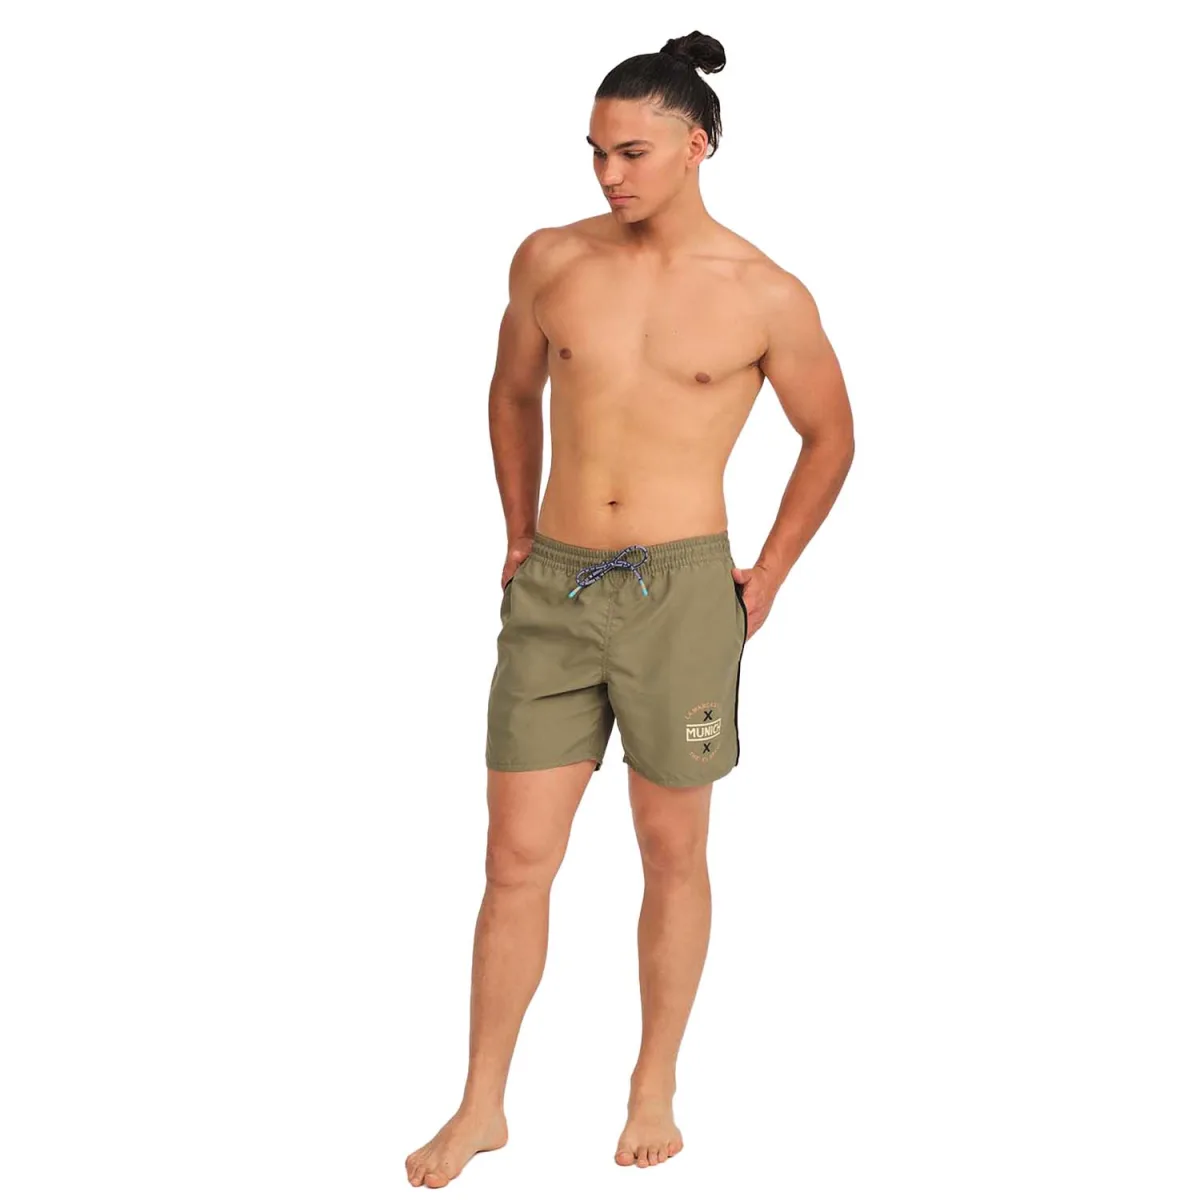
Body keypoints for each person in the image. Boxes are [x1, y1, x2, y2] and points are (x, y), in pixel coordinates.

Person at [406, 29, 854, 1189]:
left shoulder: (763, 292)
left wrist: (770, 571)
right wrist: (516, 530)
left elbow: (831, 436)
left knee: (671, 848)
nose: (610, 174)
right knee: (514, 856)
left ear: (697, 146)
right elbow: (511, 392)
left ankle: (654, 1082)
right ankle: (482, 1103)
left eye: (634, 153)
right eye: (597, 152)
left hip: (684, 594)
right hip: (555, 586)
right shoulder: (550, 259)